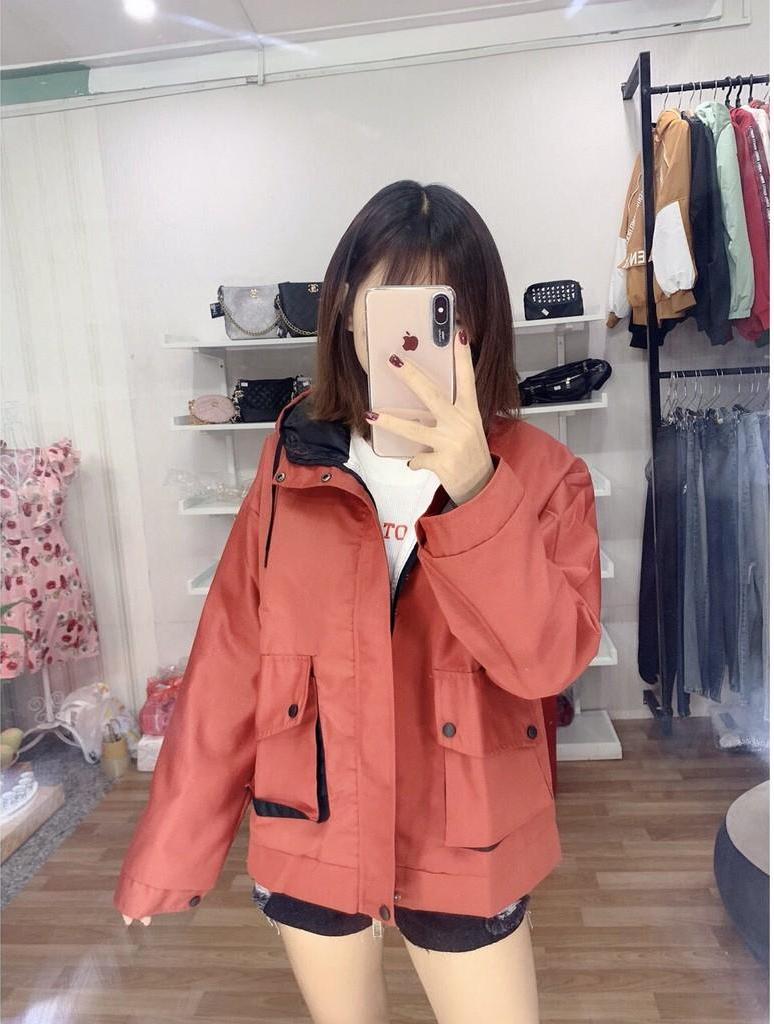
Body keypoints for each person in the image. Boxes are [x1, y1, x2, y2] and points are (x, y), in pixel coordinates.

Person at [115, 179, 602, 1024]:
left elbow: (547, 663)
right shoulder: (293, 458)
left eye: (442, 310)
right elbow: (231, 656)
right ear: (345, 311)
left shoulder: (543, 476)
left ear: (477, 323)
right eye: (389, 304)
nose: (412, 338)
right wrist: (171, 849)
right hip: (314, 822)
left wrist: (477, 488)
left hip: (465, 832)